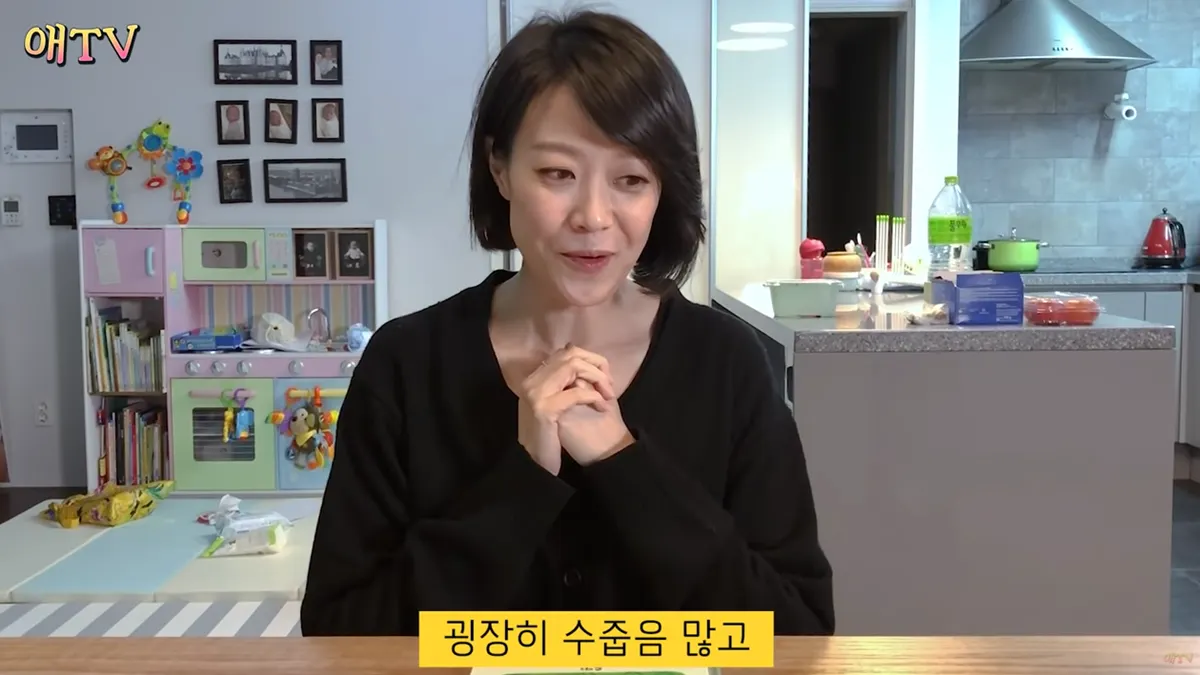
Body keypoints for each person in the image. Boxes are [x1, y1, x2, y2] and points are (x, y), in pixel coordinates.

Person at [300, 10, 834, 637]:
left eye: (631, 179)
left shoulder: (726, 362)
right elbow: (340, 634)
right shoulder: (407, 364)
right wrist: (523, 479)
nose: (593, 216)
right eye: (558, 174)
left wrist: (620, 459)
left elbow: (795, 633)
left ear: (662, 191)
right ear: (500, 168)